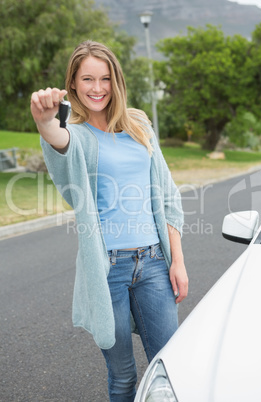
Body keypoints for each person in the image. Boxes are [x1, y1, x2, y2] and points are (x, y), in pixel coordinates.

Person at [30, 40, 188, 402]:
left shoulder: (139, 125)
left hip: (152, 263)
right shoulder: (79, 135)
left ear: (116, 81)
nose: (97, 88)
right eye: (87, 79)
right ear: (73, 84)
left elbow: (167, 196)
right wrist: (44, 122)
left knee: (172, 364)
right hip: (107, 269)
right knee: (122, 377)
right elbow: (60, 142)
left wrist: (176, 261)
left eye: (104, 78)